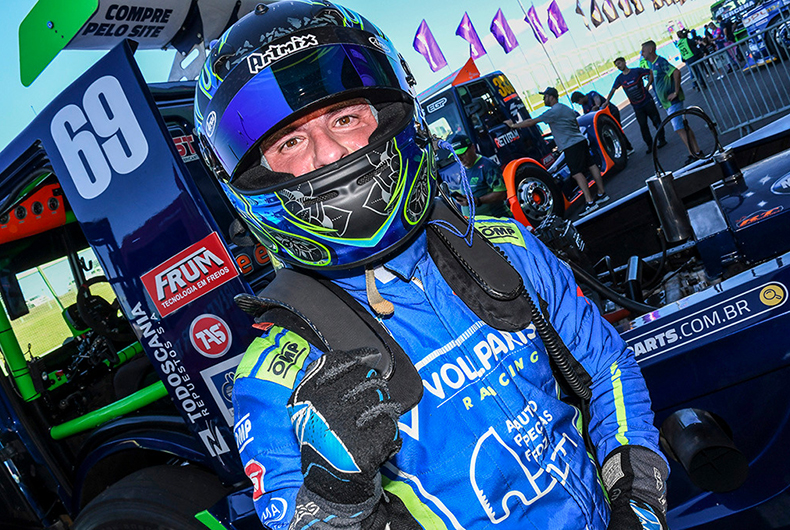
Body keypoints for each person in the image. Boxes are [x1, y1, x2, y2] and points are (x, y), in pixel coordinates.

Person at [194, 2, 669, 529]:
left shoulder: (503, 247)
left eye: (344, 118)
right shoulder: (272, 378)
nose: (328, 154)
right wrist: (339, 496)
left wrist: (637, 498)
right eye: (290, 141)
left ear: (394, 116)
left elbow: (605, 366)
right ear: (252, 178)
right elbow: (292, 518)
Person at [506, 87, 608, 217]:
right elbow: (576, 125)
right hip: (580, 140)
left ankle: (590, 202)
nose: (544, 99)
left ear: (552, 97)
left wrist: (513, 125)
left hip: (570, 145)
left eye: (545, 97)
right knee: (591, 165)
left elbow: (531, 122)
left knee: (577, 173)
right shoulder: (566, 108)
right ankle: (602, 193)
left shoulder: (553, 112)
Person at [641, 40, 702, 164]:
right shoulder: (653, 64)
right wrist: (647, 86)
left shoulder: (660, 62)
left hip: (673, 102)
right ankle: (696, 150)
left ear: (650, 50)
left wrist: (675, 91)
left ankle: (694, 154)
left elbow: (676, 72)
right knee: (683, 126)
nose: (642, 54)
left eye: (643, 51)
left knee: (679, 128)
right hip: (668, 103)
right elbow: (652, 74)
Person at [602, 57, 668, 154]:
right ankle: (650, 145)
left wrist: (648, 85)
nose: (618, 66)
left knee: (656, 120)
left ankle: (662, 139)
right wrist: (607, 101)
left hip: (647, 101)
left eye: (619, 63)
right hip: (637, 107)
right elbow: (613, 90)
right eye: (617, 65)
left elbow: (650, 72)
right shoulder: (620, 78)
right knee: (643, 126)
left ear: (624, 62)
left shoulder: (636, 71)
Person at [447, 134, 510, 218]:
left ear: (473, 148)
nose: (460, 159)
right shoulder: (463, 169)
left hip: (496, 219)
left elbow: (501, 194)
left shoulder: (487, 166)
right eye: (456, 156)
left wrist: (477, 201)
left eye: (462, 154)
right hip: (478, 223)